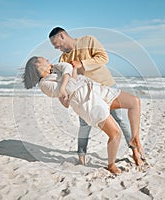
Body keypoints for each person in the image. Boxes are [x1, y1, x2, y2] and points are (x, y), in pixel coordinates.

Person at [23, 56, 145, 174]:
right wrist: (67, 77)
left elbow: (68, 72)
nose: (48, 60)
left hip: (94, 88)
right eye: (44, 59)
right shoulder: (45, 85)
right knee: (115, 134)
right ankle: (111, 165)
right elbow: (70, 87)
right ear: (37, 64)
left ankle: (135, 139)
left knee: (134, 102)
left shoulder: (55, 69)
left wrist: (71, 71)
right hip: (85, 102)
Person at [49, 27, 139, 165]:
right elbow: (67, 79)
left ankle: (135, 152)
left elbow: (103, 58)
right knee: (84, 125)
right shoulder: (64, 58)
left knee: (120, 119)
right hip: (86, 95)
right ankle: (81, 157)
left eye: (56, 44)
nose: (56, 48)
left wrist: (82, 63)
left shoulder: (88, 40)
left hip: (107, 86)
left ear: (62, 35)